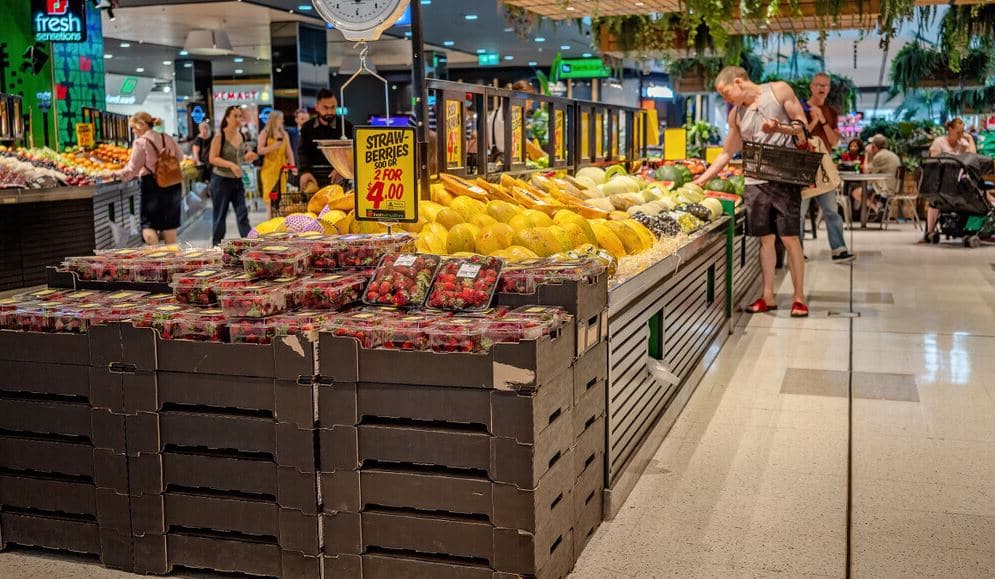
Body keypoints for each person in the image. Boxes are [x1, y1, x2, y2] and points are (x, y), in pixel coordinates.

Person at [693, 66, 811, 317]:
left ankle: (799, 297)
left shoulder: (778, 91)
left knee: (790, 238)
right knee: (765, 239)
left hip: (784, 178)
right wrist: (700, 181)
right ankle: (767, 296)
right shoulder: (736, 115)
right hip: (755, 183)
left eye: (726, 93)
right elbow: (727, 152)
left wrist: (779, 128)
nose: (726, 100)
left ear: (738, 82)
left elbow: (803, 125)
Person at [800, 72, 854, 262]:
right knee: (800, 212)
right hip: (803, 165)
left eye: (826, 85)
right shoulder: (800, 108)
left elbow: (833, 141)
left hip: (824, 167)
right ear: (811, 87)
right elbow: (797, 136)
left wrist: (822, 119)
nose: (822, 88)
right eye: (818, 85)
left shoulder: (831, 112)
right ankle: (797, 252)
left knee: (831, 210)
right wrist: (813, 119)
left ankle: (839, 249)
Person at [115, 112, 184, 246]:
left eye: (134, 128)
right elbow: (180, 158)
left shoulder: (141, 142)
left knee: (149, 225)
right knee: (169, 225)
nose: (134, 131)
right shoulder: (167, 137)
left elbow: (132, 169)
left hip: (152, 186)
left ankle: (157, 260)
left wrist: (113, 174)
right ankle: (173, 262)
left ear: (142, 125)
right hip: (172, 183)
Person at [209, 106, 258, 246]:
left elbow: (239, 159)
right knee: (220, 216)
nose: (238, 119)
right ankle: (216, 246)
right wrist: (231, 165)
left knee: (242, 214)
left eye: (240, 116)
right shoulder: (220, 136)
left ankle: (249, 244)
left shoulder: (241, 135)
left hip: (237, 181)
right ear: (227, 118)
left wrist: (248, 157)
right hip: (221, 181)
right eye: (235, 116)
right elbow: (212, 158)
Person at [923, 117, 978, 241]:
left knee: (973, 188)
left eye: (962, 132)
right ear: (950, 129)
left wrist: (969, 139)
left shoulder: (962, 144)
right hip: (941, 181)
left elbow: (973, 158)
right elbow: (934, 164)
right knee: (935, 201)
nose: (960, 135)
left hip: (957, 182)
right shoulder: (939, 142)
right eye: (958, 132)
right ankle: (929, 232)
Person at [298, 89, 354, 194]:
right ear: (317, 107)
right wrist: (304, 172)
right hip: (313, 176)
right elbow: (302, 152)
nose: (329, 112)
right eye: (325, 108)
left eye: (333, 107)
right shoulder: (307, 128)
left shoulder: (346, 127)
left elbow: (352, 152)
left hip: (339, 176)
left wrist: (341, 169)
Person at [257, 110, 296, 218]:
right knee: (269, 193)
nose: (282, 120)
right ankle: (269, 216)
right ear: (274, 120)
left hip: (282, 168)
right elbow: (259, 150)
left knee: (282, 193)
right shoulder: (264, 133)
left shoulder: (284, 134)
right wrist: (273, 147)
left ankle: (280, 217)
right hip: (269, 168)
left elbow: (289, 151)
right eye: (280, 118)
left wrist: (293, 166)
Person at [851, 134, 901, 218]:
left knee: (856, 193)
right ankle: (880, 206)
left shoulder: (880, 156)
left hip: (885, 186)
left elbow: (866, 171)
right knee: (866, 192)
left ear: (873, 146)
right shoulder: (888, 154)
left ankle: (877, 208)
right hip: (891, 184)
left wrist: (866, 154)